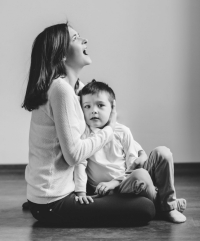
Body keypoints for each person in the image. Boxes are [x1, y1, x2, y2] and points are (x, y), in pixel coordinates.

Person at [21, 22, 155, 226]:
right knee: (146, 207)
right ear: (61, 55)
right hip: (53, 201)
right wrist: (109, 130)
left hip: (59, 190)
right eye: (76, 38)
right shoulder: (60, 90)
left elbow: (103, 125)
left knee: (138, 190)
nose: (85, 40)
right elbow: (74, 155)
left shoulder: (77, 89)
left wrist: (136, 148)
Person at [74, 80, 187, 224]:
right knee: (141, 175)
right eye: (87, 106)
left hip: (123, 180)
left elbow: (133, 166)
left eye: (100, 105)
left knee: (162, 153)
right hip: (111, 191)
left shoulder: (122, 131)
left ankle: (169, 207)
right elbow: (80, 163)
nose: (93, 110)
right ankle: (166, 205)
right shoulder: (84, 134)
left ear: (112, 108)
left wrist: (115, 182)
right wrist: (80, 192)